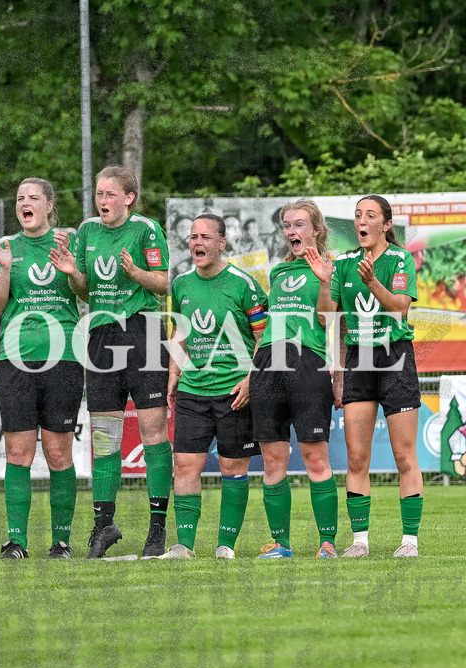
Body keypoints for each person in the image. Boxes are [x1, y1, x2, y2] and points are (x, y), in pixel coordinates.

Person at [51, 166, 172, 559]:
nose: (102, 201)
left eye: (110, 194)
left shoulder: (146, 230)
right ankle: (104, 526)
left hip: (143, 330)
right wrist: (72, 273)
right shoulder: (87, 231)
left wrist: (135, 272)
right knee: (104, 436)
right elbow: (85, 290)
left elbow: (163, 282)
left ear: (128, 198)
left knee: (153, 431)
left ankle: (157, 529)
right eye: (99, 194)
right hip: (101, 333)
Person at [307, 194, 423, 557]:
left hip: (395, 357)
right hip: (358, 360)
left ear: (386, 225)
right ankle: (360, 542)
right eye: (358, 215)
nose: (362, 221)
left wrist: (372, 282)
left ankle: (409, 542)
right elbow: (325, 317)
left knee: (404, 456)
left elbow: (400, 308)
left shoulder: (400, 259)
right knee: (357, 458)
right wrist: (324, 283)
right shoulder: (343, 263)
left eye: (371, 215)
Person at [161, 214, 266, 559]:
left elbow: (263, 339)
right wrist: (174, 374)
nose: (197, 242)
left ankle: (225, 545)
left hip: (234, 392)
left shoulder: (244, 284)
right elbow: (179, 333)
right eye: (193, 236)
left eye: (205, 237)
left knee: (232, 469)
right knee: (184, 466)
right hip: (193, 390)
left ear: (222, 243)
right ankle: (184, 545)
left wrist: (251, 380)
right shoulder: (181, 284)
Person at [0, 178, 82, 559]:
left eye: (33, 198)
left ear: (49, 205)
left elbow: (86, 292)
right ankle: (16, 541)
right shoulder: (7, 247)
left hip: (65, 357)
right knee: (18, 454)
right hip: (15, 358)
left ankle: (61, 542)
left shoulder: (69, 240)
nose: (24, 203)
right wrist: (5, 269)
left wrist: (73, 269)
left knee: (58, 454)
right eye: (19, 198)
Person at [251, 200, 338, 559]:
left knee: (315, 457)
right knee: (273, 460)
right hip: (268, 365)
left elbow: (327, 319)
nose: (291, 231)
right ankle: (281, 544)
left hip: (308, 362)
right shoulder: (277, 272)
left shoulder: (331, 267)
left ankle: (328, 543)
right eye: (287, 225)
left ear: (315, 230)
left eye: (299, 224)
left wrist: (324, 282)